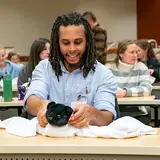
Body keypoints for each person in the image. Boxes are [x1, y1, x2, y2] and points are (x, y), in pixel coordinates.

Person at [23, 12, 117, 128]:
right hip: (49, 141)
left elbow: (107, 117)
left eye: (78, 42)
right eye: (66, 43)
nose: (72, 49)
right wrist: (42, 106)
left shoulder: (103, 74)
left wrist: (93, 114)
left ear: (87, 42)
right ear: (57, 43)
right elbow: (31, 101)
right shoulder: (44, 68)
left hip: (87, 142)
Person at [105, 40, 154, 125]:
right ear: (121, 54)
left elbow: (147, 88)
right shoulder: (109, 68)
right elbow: (105, 88)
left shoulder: (141, 68)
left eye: (136, 52)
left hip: (137, 114)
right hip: (113, 114)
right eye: (131, 52)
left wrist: (125, 92)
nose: (135, 55)